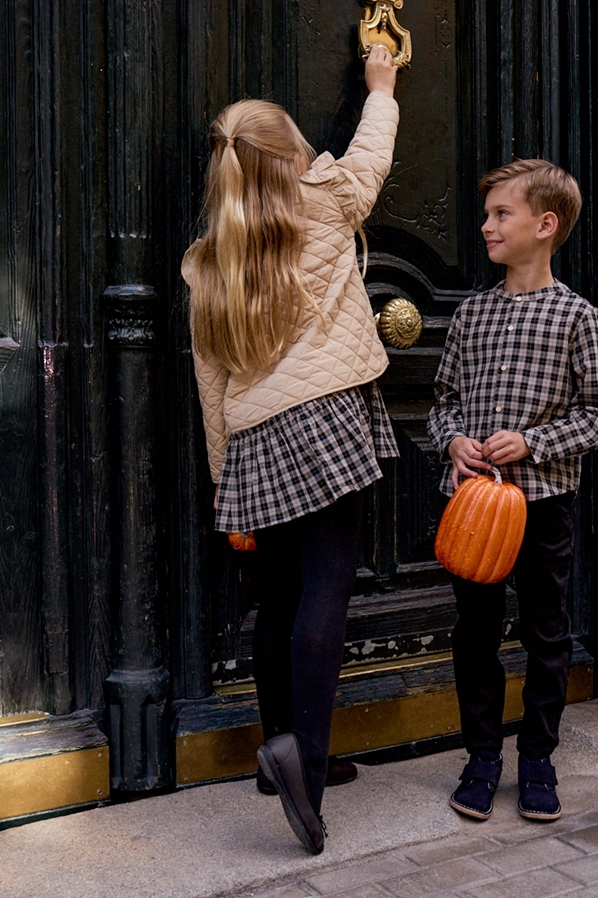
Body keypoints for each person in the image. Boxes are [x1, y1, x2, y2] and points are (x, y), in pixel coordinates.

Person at [182, 44, 399, 854]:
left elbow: (210, 385)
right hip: (329, 416)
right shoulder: (326, 200)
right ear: (293, 152)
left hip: (255, 437)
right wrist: (380, 87)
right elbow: (372, 157)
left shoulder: (208, 263)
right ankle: (304, 758)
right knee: (326, 593)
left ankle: (281, 750)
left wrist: (220, 477)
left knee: (277, 600)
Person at [427, 159, 598, 821]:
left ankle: (537, 758)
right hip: (474, 506)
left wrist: (534, 443)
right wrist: (453, 440)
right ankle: (481, 757)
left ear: (545, 224)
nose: (486, 226)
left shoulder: (577, 317)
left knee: (546, 634)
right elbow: (443, 402)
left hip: (542, 505)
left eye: (500, 214)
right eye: (487, 215)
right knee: (475, 633)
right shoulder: (471, 314)